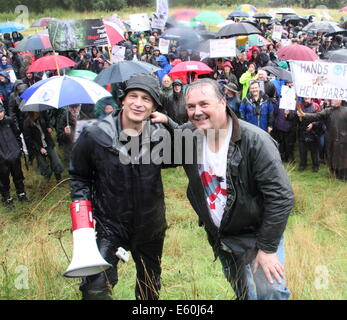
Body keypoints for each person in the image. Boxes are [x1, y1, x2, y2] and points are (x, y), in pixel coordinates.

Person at [151, 78, 294, 300]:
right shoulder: (190, 136)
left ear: (222, 102)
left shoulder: (255, 142)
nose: (197, 112)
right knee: (243, 291)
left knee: (271, 292)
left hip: (256, 234)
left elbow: (281, 197)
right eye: (191, 106)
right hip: (222, 236)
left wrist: (266, 249)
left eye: (204, 104)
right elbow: (154, 157)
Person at [69, 74, 173, 300]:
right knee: (94, 288)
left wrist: (170, 123)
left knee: (149, 288)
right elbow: (79, 176)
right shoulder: (96, 134)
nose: (138, 103)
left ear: (154, 107)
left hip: (150, 226)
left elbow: (183, 154)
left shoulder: (159, 135)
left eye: (146, 99)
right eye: (133, 96)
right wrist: (83, 221)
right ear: (122, 100)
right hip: (109, 226)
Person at [297, 99, 347, 180]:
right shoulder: (328, 111)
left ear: (340, 100)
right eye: (333, 98)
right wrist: (304, 115)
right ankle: (333, 173)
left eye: (336, 99)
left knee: (342, 158)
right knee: (331, 156)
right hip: (331, 139)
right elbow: (316, 116)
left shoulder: (345, 111)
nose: (333, 100)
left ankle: (343, 175)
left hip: (343, 140)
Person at [23, 111, 64, 181]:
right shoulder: (27, 123)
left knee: (56, 160)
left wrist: (49, 127)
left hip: (48, 142)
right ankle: (47, 179)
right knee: (43, 165)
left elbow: (48, 122)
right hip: (37, 146)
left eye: (38, 112)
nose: (37, 113)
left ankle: (59, 178)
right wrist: (39, 148)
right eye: (35, 113)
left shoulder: (42, 115)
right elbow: (29, 140)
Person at [0, 105, 28, 207]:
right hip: (2, 159)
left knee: (18, 176)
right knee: (4, 180)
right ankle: (6, 198)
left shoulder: (9, 121)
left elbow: (17, 135)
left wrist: (19, 149)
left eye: (1, 112)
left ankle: (21, 194)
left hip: (14, 154)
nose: (0, 114)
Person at [296, 98, 323, 172]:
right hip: (302, 131)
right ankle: (303, 165)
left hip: (313, 132)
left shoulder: (316, 106)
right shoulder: (300, 106)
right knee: (302, 151)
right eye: (305, 96)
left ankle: (316, 166)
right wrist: (297, 115)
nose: (306, 98)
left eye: (307, 96)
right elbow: (297, 121)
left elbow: (320, 119)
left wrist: (313, 124)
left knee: (314, 151)